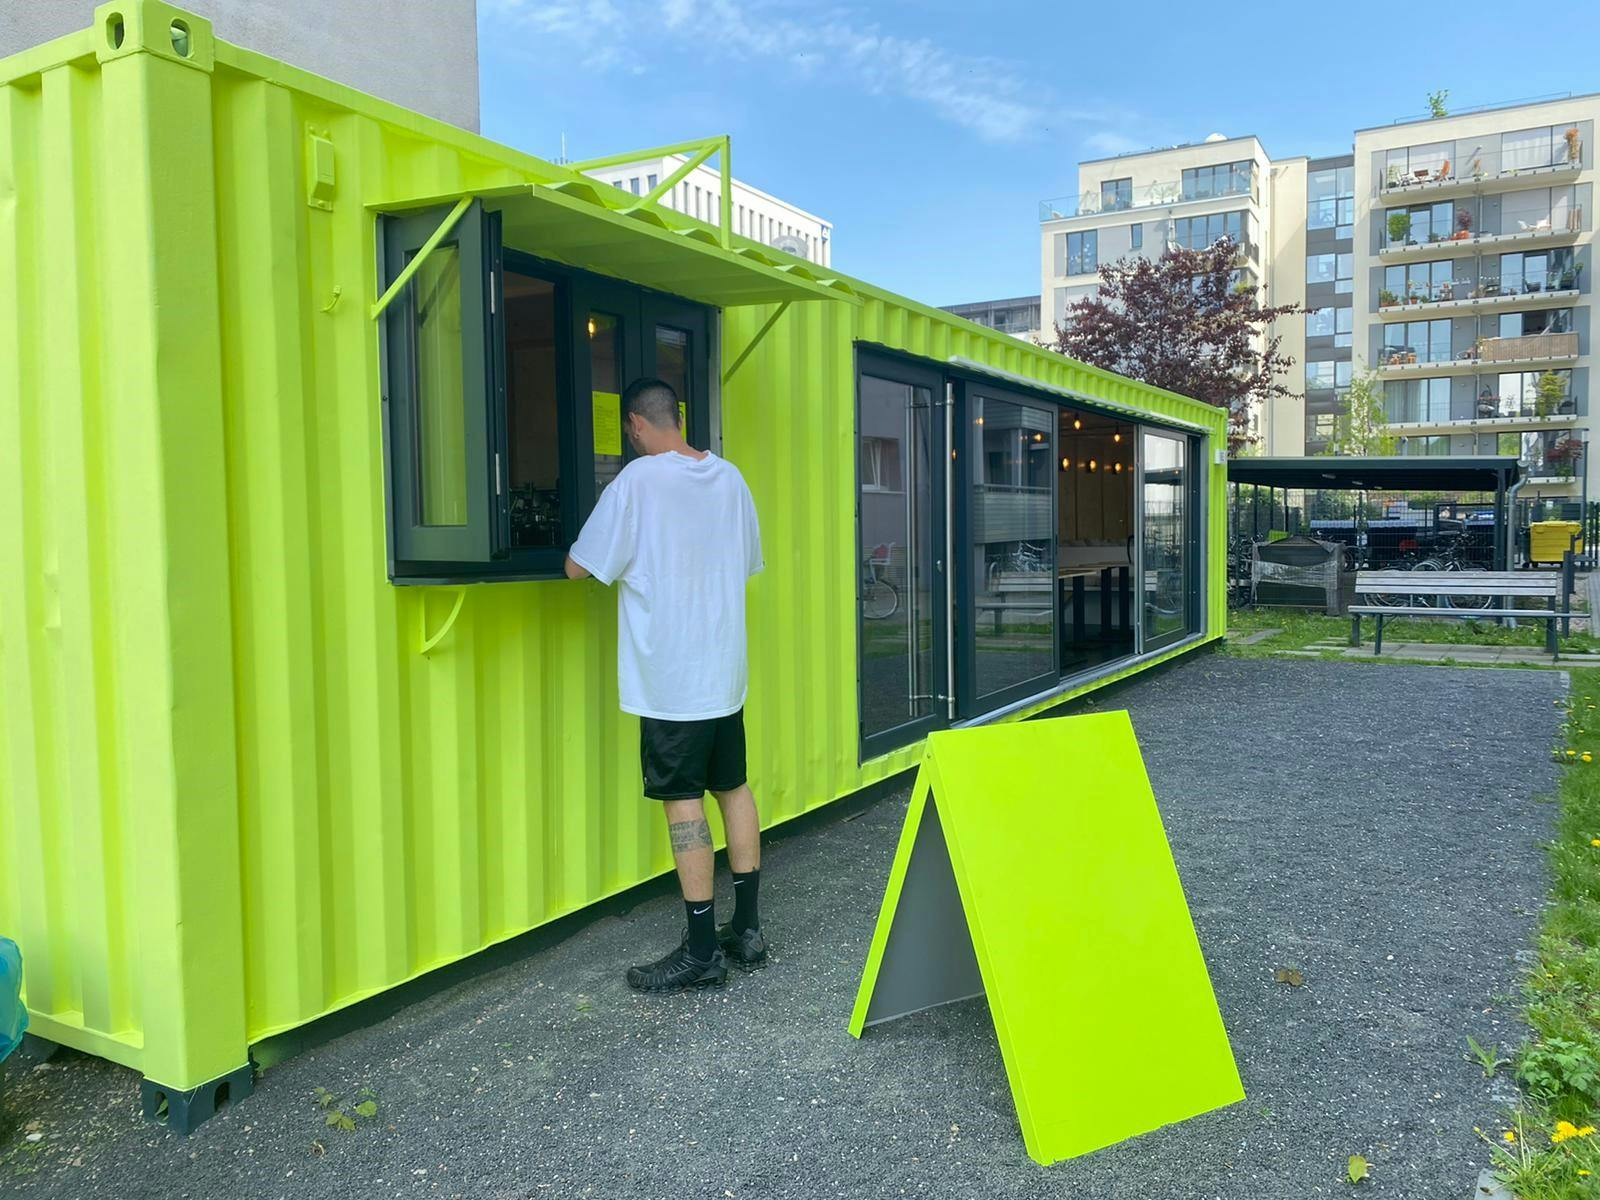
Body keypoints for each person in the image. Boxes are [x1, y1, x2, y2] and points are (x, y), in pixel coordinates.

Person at [566, 377, 767, 992]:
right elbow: (746, 562)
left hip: (673, 680)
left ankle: (702, 951)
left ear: (634, 424)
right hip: (724, 673)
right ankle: (747, 929)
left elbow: (578, 568)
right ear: (675, 416)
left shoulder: (636, 482)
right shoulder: (730, 479)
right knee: (732, 786)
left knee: (683, 802)